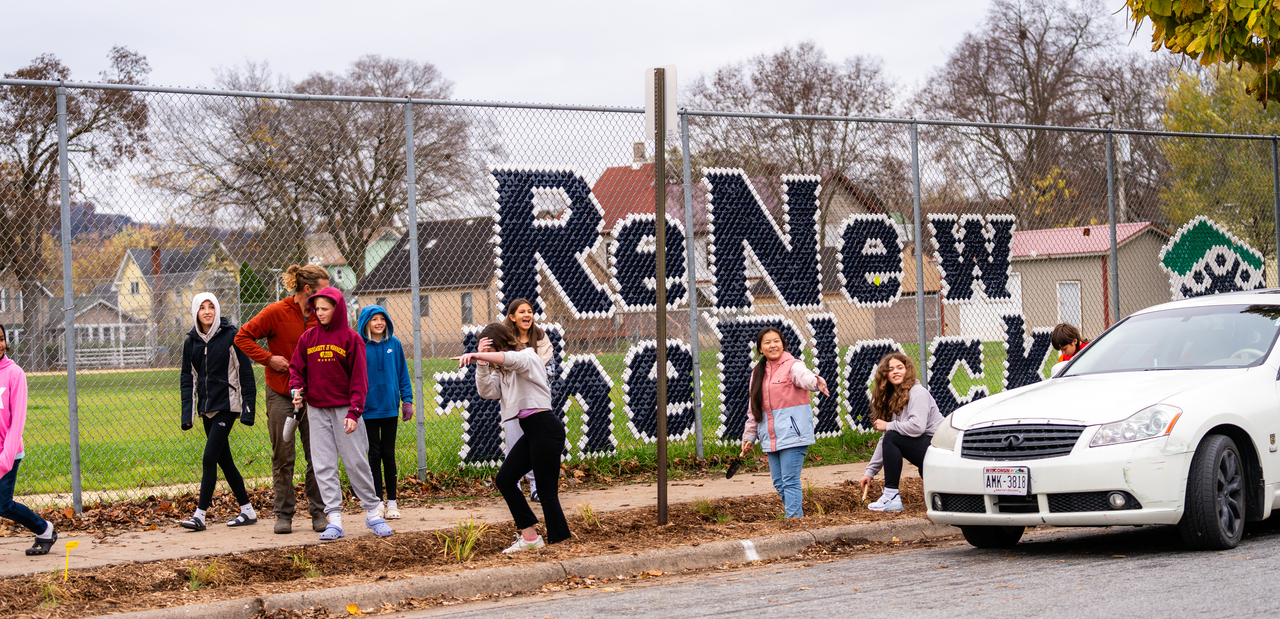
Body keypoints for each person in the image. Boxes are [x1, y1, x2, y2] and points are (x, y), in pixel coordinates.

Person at [289, 287, 392, 540]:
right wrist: (296, 388)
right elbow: (296, 368)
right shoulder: (308, 338)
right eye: (317, 309)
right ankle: (334, 519)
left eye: (325, 309)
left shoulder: (350, 339)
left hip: (346, 410)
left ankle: (373, 514)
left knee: (356, 461)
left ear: (337, 309)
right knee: (323, 465)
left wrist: (355, 411)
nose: (319, 313)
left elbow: (360, 379)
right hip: (316, 410)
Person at [455, 322, 567, 553]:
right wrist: (482, 364)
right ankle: (530, 537)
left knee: (546, 492)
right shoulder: (504, 374)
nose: (489, 354)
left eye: (492, 349)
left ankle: (561, 543)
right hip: (532, 432)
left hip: (546, 428)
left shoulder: (528, 356)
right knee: (505, 479)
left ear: (502, 343)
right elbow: (487, 391)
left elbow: (513, 359)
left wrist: (477, 353)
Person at [235, 264, 330, 534]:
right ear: (308, 290)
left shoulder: (324, 316)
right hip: (281, 393)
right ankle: (284, 514)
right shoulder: (276, 312)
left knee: (318, 455)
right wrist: (268, 359)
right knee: (283, 456)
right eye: (325, 289)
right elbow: (243, 336)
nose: (330, 295)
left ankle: (319, 513)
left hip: (315, 395)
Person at [179, 293, 258, 531]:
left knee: (208, 458)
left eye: (211, 306)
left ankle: (200, 516)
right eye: (201, 308)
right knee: (225, 461)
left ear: (217, 310)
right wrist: (188, 414)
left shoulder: (232, 336)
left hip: (227, 404)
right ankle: (248, 511)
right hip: (207, 408)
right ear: (195, 312)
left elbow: (245, 372)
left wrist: (247, 408)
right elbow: (187, 379)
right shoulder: (191, 343)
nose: (207, 311)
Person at [738, 327, 829, 519]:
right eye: (767, 342)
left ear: (783, 343)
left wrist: (816, 382)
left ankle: (793, 521)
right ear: (760, 349)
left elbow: (804, 377)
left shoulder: (793, 365)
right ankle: (798, 519)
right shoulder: (758, 372)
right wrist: (750, 436)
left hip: (793, 435)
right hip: (771, 437)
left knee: (790, 481)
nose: (773, 345)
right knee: (779, 483)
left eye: (776, 341)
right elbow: (753, 408)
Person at [859, 352, 943, 512]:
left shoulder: (917, 392)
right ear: (885, 375)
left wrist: (889, 426)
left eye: (900, 367)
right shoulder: (894, 398)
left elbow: (917, 427)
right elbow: (886, 440)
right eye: (891, 369)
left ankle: (891, 496)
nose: (896, 371)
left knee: (892, 435)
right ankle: (944, 499)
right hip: (928, 450)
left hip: (940, 450)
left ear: (908, 371)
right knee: (891, 436)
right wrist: (869, 473)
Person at [0, 325, 56, 555]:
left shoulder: (15, 373)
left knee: (2, 504)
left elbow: (18, 422)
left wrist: (5, 460)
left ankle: (44, 529)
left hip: (8, 452)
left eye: (1, 338)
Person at [356, 305, 413, 520]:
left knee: (388, 455)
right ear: (365, 323)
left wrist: (406, 400)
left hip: (390, 409)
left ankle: (392, 502)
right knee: (373, 455)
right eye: (374, 319)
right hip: (367, 410)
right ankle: (377, 502)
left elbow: (402, 375)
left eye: (382, 319)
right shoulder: (359, 346)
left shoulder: (394, 344)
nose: (379, 323)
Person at [501, 298, 553, 502]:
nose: (527, 315)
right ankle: (513, 486)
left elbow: (548, 370)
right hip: (514, 400)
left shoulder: (541, 338)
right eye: (522, 312)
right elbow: (502, 369)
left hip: (536, 402)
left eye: (530, 311)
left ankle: (535, 486)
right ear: (512, 317)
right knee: (514, 443)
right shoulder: (505, 341)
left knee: (537, 445)